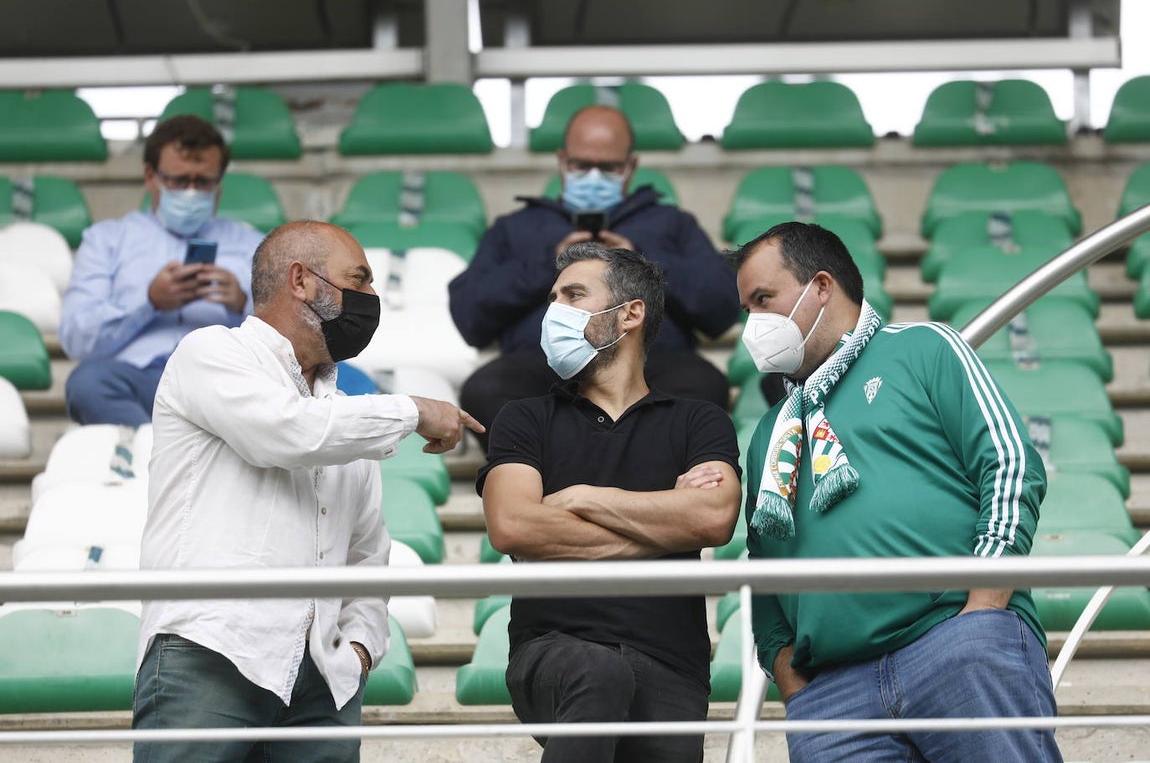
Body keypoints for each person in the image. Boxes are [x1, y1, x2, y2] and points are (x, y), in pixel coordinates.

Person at [132, 221, 483, 762]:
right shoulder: (208, 351)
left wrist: (361, 649)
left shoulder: (345, 415)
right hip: (211, 652)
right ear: (300, 280)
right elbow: (282, 432)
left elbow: (369, 554)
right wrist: (414, 410)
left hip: (324, 678)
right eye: (359, 280)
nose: (372, 298)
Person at [730, 222, 1061, 762]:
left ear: (820, 286)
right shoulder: (771, 430)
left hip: (955, 645)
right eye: (746, 309)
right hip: (833, 697)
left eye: (763, 300)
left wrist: (980, 613)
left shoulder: (925, 348)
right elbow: (764, 570)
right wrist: (793, 682)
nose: (753, 324)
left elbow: (1009, 465)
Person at [479, 242, 743, 762]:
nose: (554, 310)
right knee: (600, 671)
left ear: (631, 314)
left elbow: (713, 517)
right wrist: (663, 526)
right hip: (551, 648)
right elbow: (513, 526)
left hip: (674, 662)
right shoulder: (524, 417)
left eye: (574, 295)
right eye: (553, 298)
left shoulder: (698, 420)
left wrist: (584, 498)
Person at [449, 105, 740, 448]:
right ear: (562, 161)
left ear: (630, 167)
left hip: (652, 363)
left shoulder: (671, 224)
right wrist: (552, 263)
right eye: (581, 165)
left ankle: (639, 474)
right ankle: (544, 479)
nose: (593, 176)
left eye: (608, 168)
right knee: (488, 389)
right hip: (541, 366)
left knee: (702, 384)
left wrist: (643, 261)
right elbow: (469, 314)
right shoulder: (516, 228)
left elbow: (722, 307)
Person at [60, 114, 265, 426]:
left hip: (222, 382)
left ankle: (152, 459)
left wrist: (242, 304)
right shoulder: (106, 240)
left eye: (204, 182)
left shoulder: (252, 243)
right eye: (179, 181)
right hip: (138, 379)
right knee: (87, 384)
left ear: (219, 185)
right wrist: (149, 304)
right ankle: (159, 456)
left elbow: (287, 335)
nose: (192, 192)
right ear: (149, 176)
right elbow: (76, 338)